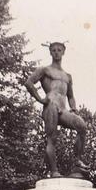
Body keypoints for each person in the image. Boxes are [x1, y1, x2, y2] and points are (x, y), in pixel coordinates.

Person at [25, 42, 87, 178]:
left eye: (59, 50)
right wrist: (40, 99)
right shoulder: (45, 70)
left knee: (82, 127)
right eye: (53, 50)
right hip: (51, 105)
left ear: (63, 52)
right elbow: (29, 82)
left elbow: (70, 96)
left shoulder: (67, 76)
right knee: (52, 138)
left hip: (64, 109)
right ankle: (54, 171)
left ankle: (77, 162)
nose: (56, 52)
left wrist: (74, 108)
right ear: (50, 52)